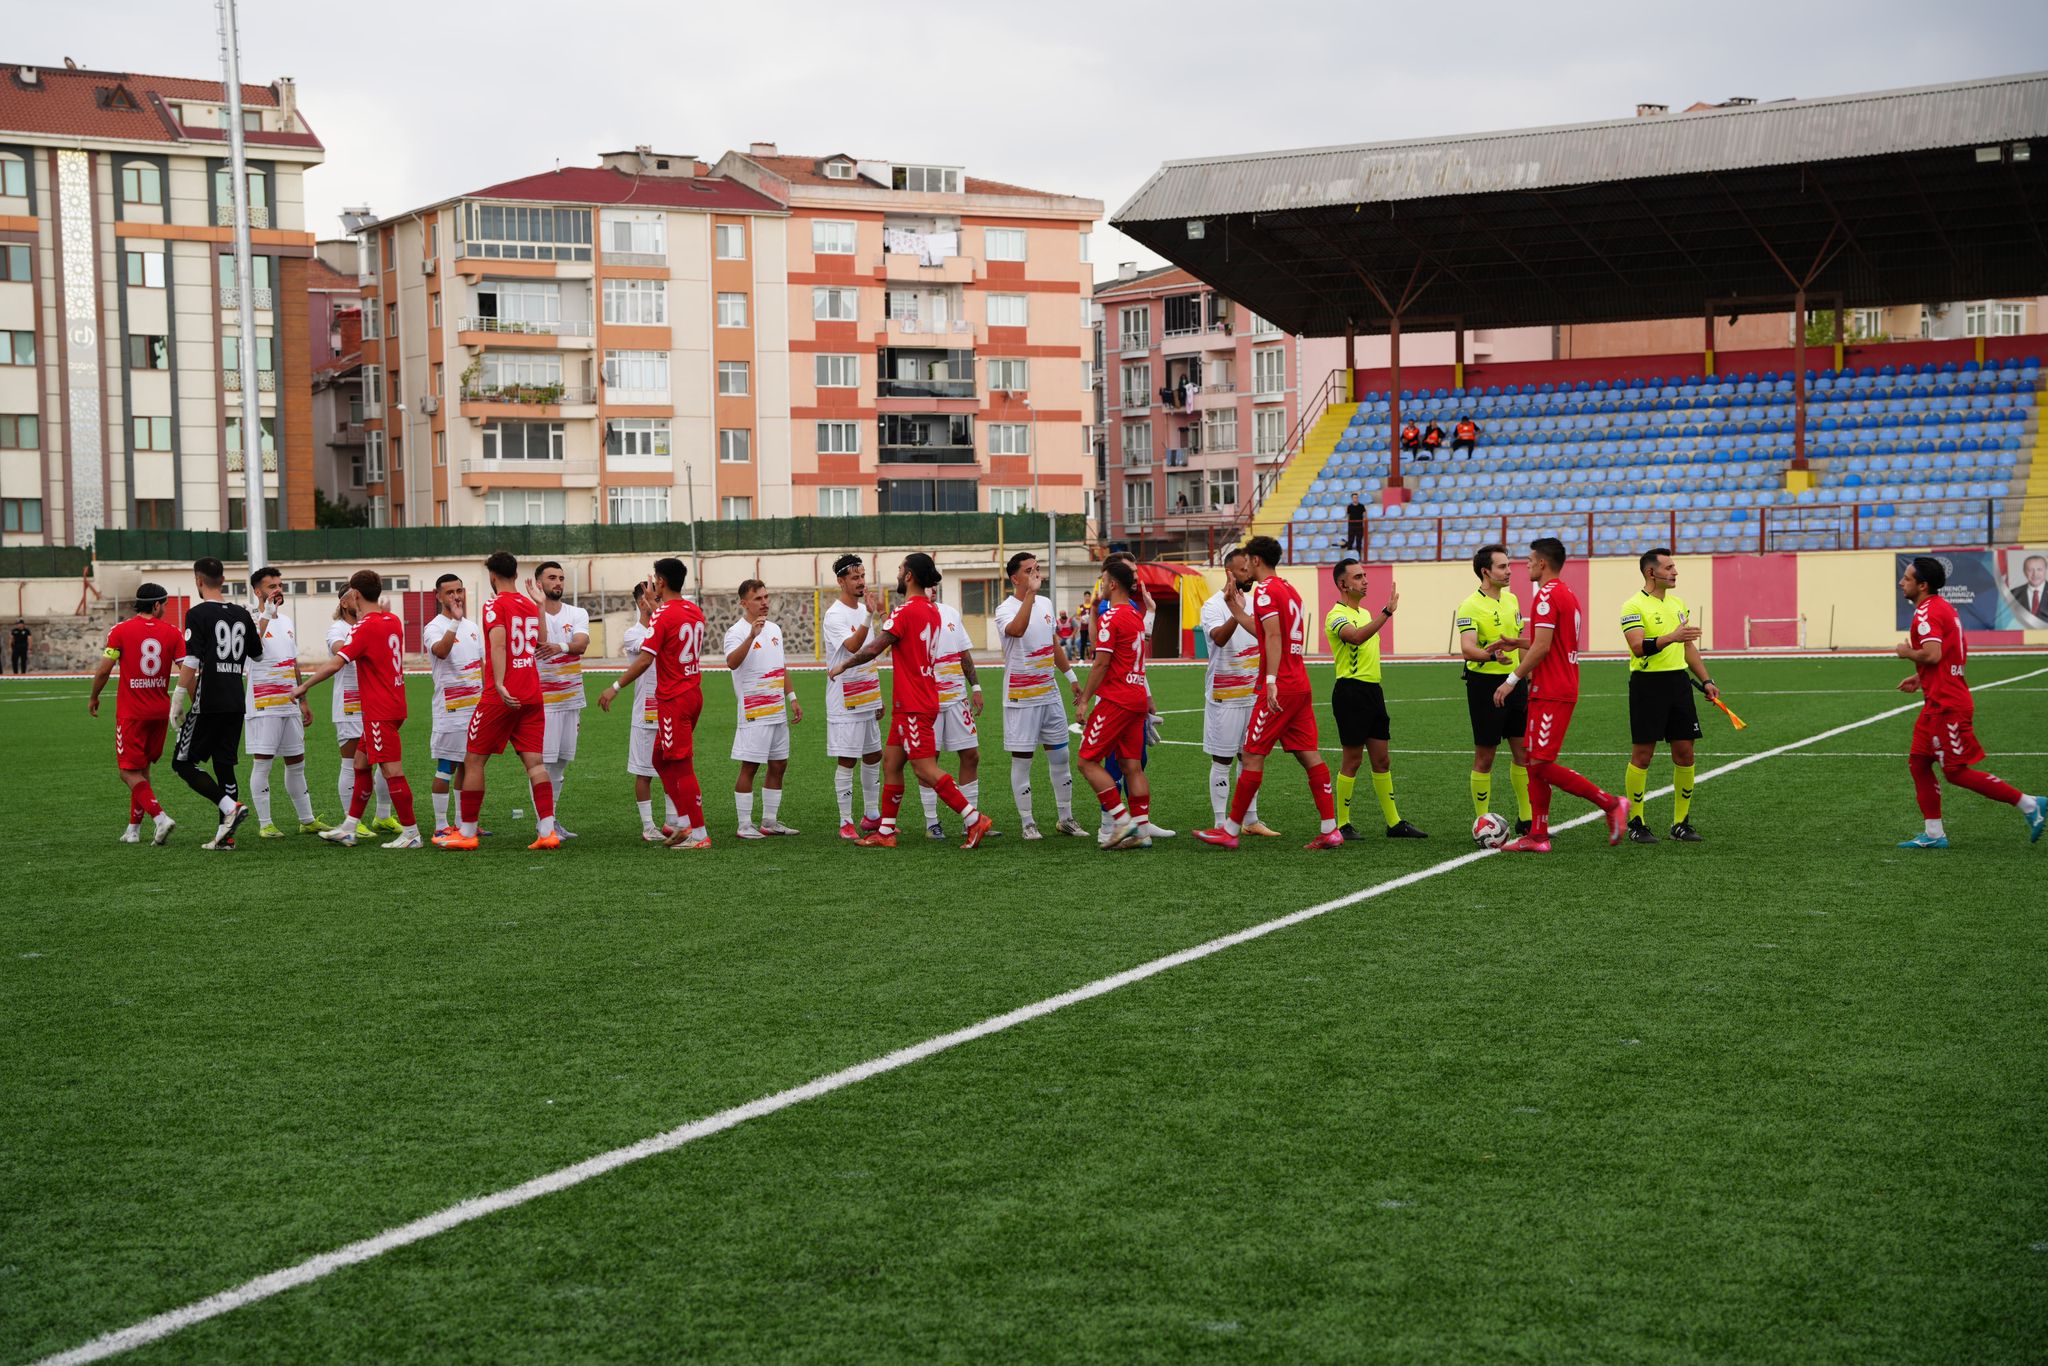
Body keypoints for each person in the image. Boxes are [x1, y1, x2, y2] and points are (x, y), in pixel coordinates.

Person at [827, 552, 993, 849]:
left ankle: (973, 818)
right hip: (912, 701)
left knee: (925, 768)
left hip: (915, 702)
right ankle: (886, 831)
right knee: (892, 762)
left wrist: (843, 665)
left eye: (901, 568)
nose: (898, 572)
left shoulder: (904, 612)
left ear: (909, 576)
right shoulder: (932, 610)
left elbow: (875, 647)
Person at [1195, 535, 1343, 850]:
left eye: (1246, 561)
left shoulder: (1263, 590)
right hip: (1300, 682)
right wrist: (1237, 612)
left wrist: (1272, 679)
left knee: (1250, 755)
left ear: (1256, 561)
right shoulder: (1288, 589)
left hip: (1280, 686)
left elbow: (1273, 636)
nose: (1244, 566)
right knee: (1308, 754)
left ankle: (1231, 830)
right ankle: (1330, 828)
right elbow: (1265, 630)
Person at [1893, 556, 2044, 848]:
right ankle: (1934, 834)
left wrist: (1906, 652)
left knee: (1955, 772)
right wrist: (1921, 678)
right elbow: (1947, 654)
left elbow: (1933, 654)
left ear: (1923, 585)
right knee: (1919, 763)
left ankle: (2029, 804)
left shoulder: (1926, 614)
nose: (1902, 582)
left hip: (1947, 705)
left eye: (1908, 578)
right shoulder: (1943, 608)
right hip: (1937, 701)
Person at [1492, 539, 1628, 853]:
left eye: (1528, 560)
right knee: (1532, 760)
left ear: (1542, 563)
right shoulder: (1566, 593)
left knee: (1539, 765)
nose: (1524, 565)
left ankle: (1610, 804)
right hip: (1553, 687)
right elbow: (1548, 642)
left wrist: (1511, 680)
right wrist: (1517, 642)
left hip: (1552, 689)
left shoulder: (1545, 596)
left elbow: (1542, 648)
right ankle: (1538, 836)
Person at [294, 570, 423, 849]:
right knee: (360, 764)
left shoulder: (365, 627)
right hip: (394, 702)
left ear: (355, 595)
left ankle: (412, 833)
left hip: (379, 709)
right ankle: (350, 827)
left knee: (391, 771)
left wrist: (304, 686)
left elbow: (336, 663)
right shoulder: (392, 620)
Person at [443, 551, 559, 851]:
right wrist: (541, 605)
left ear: (492, 576)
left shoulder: (494, 604)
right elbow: (540, 641)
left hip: (503, 695)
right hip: (532, 691)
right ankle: (547, 831)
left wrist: (497, 683)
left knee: (473, 760)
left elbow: (498, 643)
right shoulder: (529, 604)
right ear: (517, 575)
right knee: (535, 763)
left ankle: (467, 833)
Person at [599, 558, 710, 850]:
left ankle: (698, 832)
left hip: (675, 698)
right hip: (692, 693)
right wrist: (656, 607)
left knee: (682, 765)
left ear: (660, 581)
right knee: (659, 758)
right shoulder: (694, 610)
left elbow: (647, 658)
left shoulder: (664, 615)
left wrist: (615, 687)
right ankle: (684, 822)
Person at [1619, 548, 1716, 844]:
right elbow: (1638, 646)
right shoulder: (1632, 606)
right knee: (1643, 754)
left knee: (1685, 753)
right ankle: (1637, 823)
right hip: (1647, 685)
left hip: (1678, 684)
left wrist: (1707, 679)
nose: (1675, 572)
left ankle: (1681, 823)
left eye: (1675, 567)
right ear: (1651, 573)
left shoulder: (1678, 604)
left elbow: (1688, 648)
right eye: (1669, 567)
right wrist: (1671, 637)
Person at [1325, 558, 1425, 840]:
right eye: (1358, 577)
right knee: (1353, 760)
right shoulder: (1336, 615)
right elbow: (1354, 638)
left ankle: (1394, 823)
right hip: (1350, 692)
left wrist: (1379, 615)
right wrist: (1387, 613)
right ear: (1342, 584)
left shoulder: (1366, 613)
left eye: (1365, 575)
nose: (1365, 580)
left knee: (1382, 760)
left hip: (1372, 692)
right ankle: (1342, 823)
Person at [992, 550, 1087, 839]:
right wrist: (1030, 596)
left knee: (1061, 757)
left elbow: (1054, 643)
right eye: (1029, 569)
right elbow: (1017, 631)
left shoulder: (1045, 602)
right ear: (1015, 578)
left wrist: (1070, 677)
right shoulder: (1004, 609)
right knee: (1023, 760)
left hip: (1050, 695)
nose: (1036, 573)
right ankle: (1027, 823)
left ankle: (1066, 818)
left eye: (1037, 568)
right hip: (1021, 698)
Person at [167, 557, 255, 849]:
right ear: (223, 579)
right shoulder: (242, 614)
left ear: (198, 580)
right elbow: (258, 653)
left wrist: (178, 697)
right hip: (235, 700)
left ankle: (230, 809)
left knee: (183, 762)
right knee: (224, 766)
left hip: (210, 700)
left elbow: (191, 660)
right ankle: (225, 837)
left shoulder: (197, 613)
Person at [87, 581, 182, 845]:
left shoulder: (120, 630)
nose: (164, 609)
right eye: (163, 604)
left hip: (132, 714)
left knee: (127, 772)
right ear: (157, 605)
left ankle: (160, 817)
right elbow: (187, 669)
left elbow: (105, 669)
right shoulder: (173, 633)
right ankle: (133, 830)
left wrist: (94, 696)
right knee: (141, 770)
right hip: (160, 711)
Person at [241, 566, 326, 839]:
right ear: (258, 592)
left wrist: (303, 699)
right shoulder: (247, 618)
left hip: (289, 702)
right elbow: (252, 646)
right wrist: (266, 613)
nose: (278, 590)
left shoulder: (287, 621)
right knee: (263, 762)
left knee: (296, 761)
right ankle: (265, 823)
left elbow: (293, 661)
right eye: (271, 586)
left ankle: (307, 819)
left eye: (279, 584)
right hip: (264, 702)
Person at [1199, 548, 1278, 839]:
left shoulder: (1259, 602)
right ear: (1230, 573)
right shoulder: (1212, 605)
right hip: (1225, 696)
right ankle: (1221, 823)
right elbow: (1218, 638)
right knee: (1222, 760)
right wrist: (1236, 611)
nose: (1250, 574)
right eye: (1243, 570)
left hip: (1253, 695)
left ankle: (1251, 819)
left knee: (1251, 758)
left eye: (1249, 568)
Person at [1075, 557, 1154, 849]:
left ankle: (1123, 822)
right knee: (1132, 765)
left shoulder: (1113, 616)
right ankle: (1142, 831)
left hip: (1116, 699)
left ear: (1112, 583)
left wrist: (1084, 700)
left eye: (1102, 579)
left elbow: (1101, 663)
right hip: (1136, 698)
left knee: (1086, 760)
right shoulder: (1135, 616)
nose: (1100, 584)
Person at [1457, 544, 1533, 836]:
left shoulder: (1512, 600)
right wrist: (1491, 657)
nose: (1509, 571)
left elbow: (1518, 643)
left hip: (1514, 682)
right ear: (1485, 571)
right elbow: (1467, 648)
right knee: (1485, 756)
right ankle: (1483, 823)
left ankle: (1525, 820)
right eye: (1502, 566)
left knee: (1522, 752)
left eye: (1509, 565)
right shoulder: (1469, 606)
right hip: (1485, 686)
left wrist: (1525, 676)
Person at [725, 578, 802, 838]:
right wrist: (751, 637)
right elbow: (732, 663)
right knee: (750, 767)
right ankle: (744, 825)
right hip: (754, 711)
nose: (765, 602)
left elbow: (781, 667)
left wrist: (791, 697)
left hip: (777, 709)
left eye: (766, 597)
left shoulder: (775, 629)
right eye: (758, 598)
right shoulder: (736, 632)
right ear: (744, 603)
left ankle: (770, 821)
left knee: (779, 764)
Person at [821, 554, 884, 840]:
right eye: (855, 578)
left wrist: (878, 695)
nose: (861, 582)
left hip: (867, 695)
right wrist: (870, 615)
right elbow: (853, 647)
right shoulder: (835, 614)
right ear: (841, 581)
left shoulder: (862, 610)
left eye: (862, 576)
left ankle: (871, 815)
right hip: (844, 700)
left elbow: (871, 654)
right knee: (848, 759)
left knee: (874, 754)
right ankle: (845, 820)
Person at [327, 590, 396, 836]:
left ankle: (383, 816)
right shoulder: (337, 629)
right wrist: (366, 636)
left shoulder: (372, 624)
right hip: (350, 705)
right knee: (351, 764)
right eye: (351, 597)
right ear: (344, 603)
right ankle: (352, 821)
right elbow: (340, 651)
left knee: (383, 760)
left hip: (376, 703)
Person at [423, 573, 484, 839]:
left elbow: (481, 665)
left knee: (469, 766)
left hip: (475, 709)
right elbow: (442, 651)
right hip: (450, 711)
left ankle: (463, 823)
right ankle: (440, 825)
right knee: (445, 767)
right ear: (438, 596)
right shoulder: (434, 627)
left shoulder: (472, 626)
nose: (456, 596)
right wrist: (455, 623)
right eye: (449, 593)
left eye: (459, 590)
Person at [920, 589, 985, 839]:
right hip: (927, 702)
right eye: (927, 583)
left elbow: (963, 654)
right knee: (929, 761)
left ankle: (971, 821)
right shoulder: (911, 615)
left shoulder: (950, 613)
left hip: (957, 698)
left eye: (935, 583)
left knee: (971, 755)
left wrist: (975, 687)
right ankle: (932, 823)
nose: (933, 588)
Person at [532, 561, 590, 838]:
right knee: (542, 763)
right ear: (538, 583)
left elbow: (581, 645)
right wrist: (539, 608)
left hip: (571, 700)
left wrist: (559, 647)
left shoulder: (577, 612)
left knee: (561, 763)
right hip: (544, 702)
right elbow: (534, 645)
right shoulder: (530, 614)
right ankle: (544, 822)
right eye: (552, 578)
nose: (558, 582)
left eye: (561, 578)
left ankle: (551, 818)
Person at [620, 582, 680, 841]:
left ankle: (671, 821)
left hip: (670, 708)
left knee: (672, 766)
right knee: (644, 771)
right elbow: (653, 648)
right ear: (640, 602)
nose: (658, 602)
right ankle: (648, 826)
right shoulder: (633, 635)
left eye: (659, 597)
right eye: (652, 598)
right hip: (646, 712)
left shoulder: (666, 625)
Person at [2010, 553, 2048, 625]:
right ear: (2024, 572)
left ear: (2045, 570)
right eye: (2030, 570)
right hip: (2022, 635)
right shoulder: (2013, 594)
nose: (2035, 574)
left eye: (2039, 569)